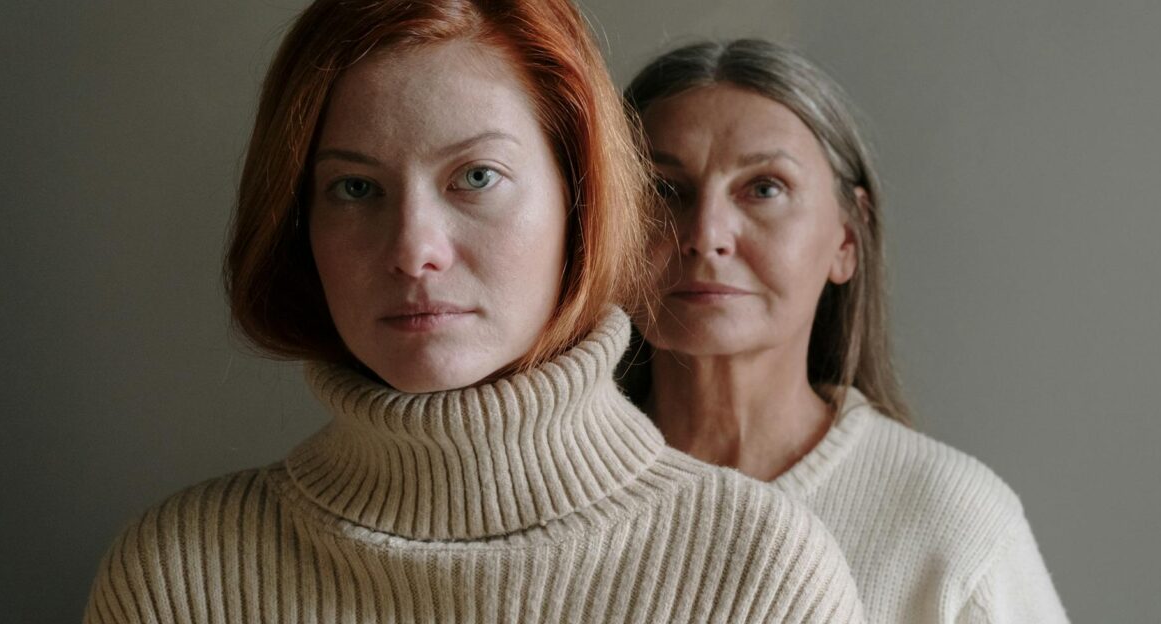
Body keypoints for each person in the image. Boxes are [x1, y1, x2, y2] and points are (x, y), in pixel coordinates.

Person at [84, 7, 865, 623]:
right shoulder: (178, 578)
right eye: (355, 189)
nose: (413, 250)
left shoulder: (759, 575)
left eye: (476, 177)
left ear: (582, 201)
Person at [625, 38, 1069, 623]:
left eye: (764, 188)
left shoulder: (953, 527)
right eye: (663, 189)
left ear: (846, 239)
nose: (706, 235)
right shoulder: (538, 501)